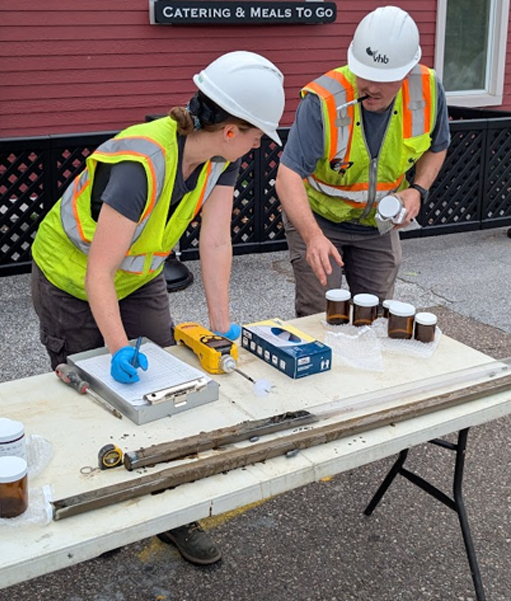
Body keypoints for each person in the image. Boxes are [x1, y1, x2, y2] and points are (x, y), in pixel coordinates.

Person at [29, 51, 285, 566]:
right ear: (231, 130)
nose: (261, 144)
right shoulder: (141, 164)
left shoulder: (220, 163)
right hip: (71, 278)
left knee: (166, 386)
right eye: (258, 134)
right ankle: (103, 513)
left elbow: (215, 244)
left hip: (137, 277)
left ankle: (172, 510)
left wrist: (220, 325)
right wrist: (118, 347)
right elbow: (97, 271)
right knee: (97, 393)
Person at [275, 5, 450, 317]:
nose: (371, 87)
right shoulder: (323, 100)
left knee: (377, 314)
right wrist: (313, 237)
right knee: (319, 314)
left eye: (384, 79)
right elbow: (287, 175)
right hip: (319, 219)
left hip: (378, 226)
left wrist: (417, 191)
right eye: (365, 75)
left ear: (406, 72)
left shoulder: (428, 89)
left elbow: (437, 147)